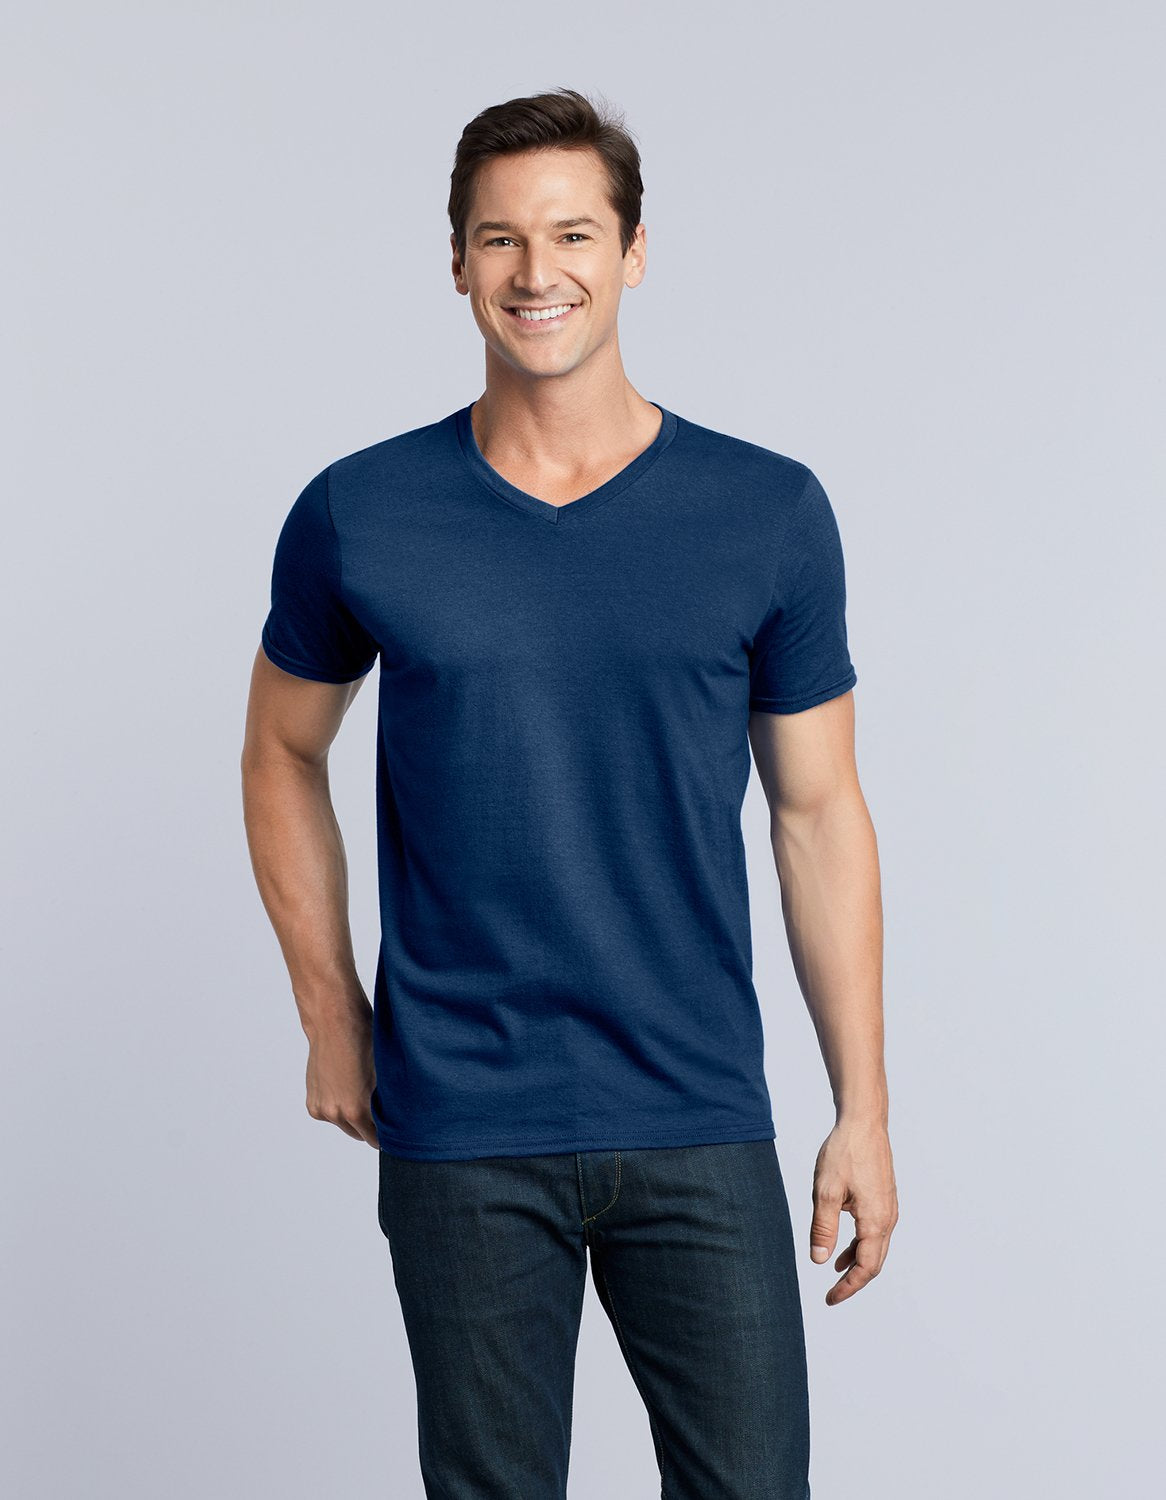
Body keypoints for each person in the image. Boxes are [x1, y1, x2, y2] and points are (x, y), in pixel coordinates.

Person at [241, 86, 897, 1500]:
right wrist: (331, 1014)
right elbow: (280, 750)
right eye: (501, 239)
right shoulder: (360, 511)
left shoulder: (767, 512)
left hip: (694, 1106)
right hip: (461, 1121)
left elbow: (816, 815)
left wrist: (864, 1105)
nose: (537, 272)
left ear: (635, 251)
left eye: (573, 234)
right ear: (457, 263)